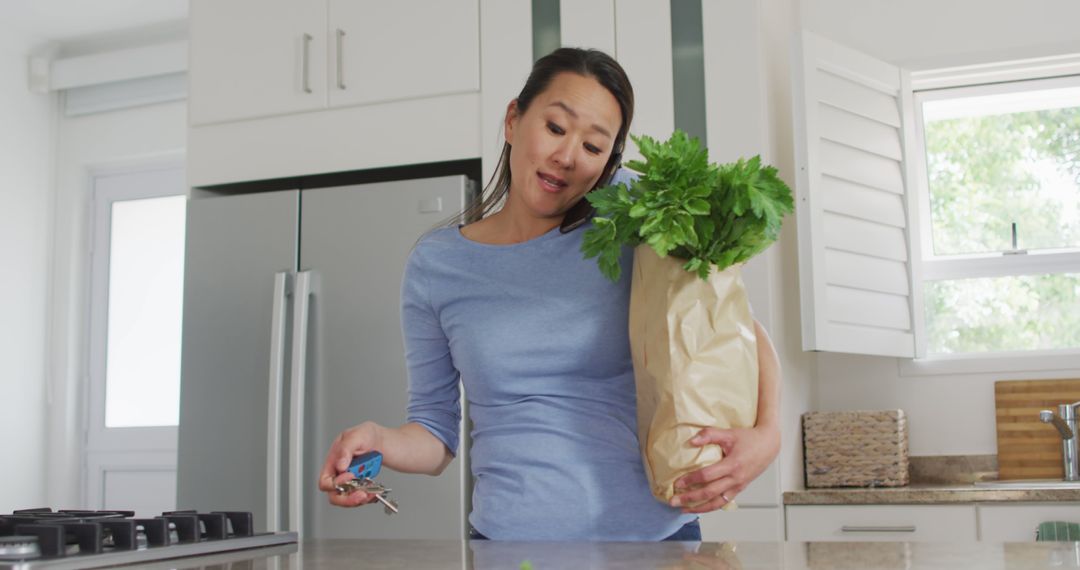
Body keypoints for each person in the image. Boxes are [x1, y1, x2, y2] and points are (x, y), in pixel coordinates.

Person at [317, 47, 782, 541]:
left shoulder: (632, 217)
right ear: (514, 120)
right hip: (509, 546)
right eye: (556, 128)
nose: (566, 157)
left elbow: (735, 329)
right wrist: (378, 441)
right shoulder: (437, 265)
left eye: (593, 146)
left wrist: (767, 436)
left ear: (609, 162)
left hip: (654, 545)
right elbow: (434, 434)